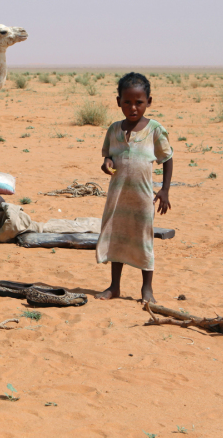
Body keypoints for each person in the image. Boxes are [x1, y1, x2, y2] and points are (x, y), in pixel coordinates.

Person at [95, 72, 173, 303]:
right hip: (118, 197)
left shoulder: (154, 130)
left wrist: (165, 190)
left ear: (149, 101)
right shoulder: (114, 130)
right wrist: (107, 163)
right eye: (127, 102)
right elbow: (109, 155)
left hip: (142, 198)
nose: (133, 108)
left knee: (144, 240)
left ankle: (147, 289)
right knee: (116, 237)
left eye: (139, 102)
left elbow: (167, 158)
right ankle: (114, 286)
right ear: (118, 101)